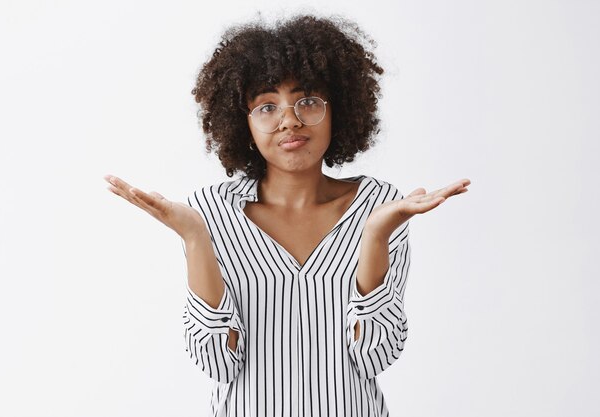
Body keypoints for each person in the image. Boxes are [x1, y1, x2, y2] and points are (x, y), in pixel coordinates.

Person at [104, 13, 470, 417]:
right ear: (242, 122)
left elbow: (374, 356)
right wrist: (194, 237)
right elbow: (217, 362)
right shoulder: (209, 213)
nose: (290, 119)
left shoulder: (380, 206)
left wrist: (376, 236)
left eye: (308, 101)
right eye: (266, 106)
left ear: (339, 109)